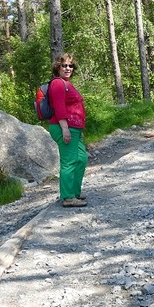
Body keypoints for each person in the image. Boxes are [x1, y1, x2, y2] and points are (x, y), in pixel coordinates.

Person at [48, 53, 88, 207]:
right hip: (64, 127)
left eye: (70, 65)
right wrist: (65, 129)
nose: (68, 68)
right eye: (64, 65)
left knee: (81, 158)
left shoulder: (67, 84)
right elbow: (59, 107)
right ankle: (68, 197)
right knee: (69, 162)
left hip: (74, 128)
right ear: (58, 67)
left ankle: (74, 191)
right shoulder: (57, 83)